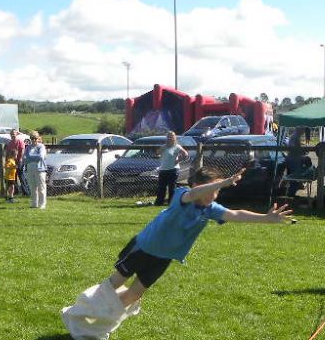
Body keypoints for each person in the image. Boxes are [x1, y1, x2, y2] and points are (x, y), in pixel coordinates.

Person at [106, 168, 293, 309]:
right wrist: (223, 183)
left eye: (217, 191)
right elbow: (195, 194)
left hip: (164, 257)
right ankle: (90, 307)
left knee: (134, 295)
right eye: (212, 189)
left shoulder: (210, 209)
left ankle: (103, 317)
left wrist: (266, 218)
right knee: (115, 283)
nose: (214, 195)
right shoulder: (182, 195)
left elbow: (235, 214)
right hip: (144, 247)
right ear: (197, 185)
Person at [154, 131, 188, 206]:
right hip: (163, 169)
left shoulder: (177, 147)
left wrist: (178, 160)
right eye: (168, 137)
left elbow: (185, 154)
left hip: (173, 169)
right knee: (161, 187)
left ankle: (171, 202)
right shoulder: (164, 146)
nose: (170, 138)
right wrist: (162, 149)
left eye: (171, 137)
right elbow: (157, 153)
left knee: (172, 187)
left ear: (174, 138)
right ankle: (159, 202)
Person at [24, 131, 48, 209]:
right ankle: (34, 204)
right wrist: (33, 158)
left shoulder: (41, 146)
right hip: (30, 169)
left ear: (38, 138)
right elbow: (24, 158)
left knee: (41, 187)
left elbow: (41, 156)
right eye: (32, 138)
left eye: (35, 138)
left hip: (40, 169)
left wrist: (30, 157)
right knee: (32, 187)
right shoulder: (28, 147)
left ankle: (42, 204)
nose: (34, 140)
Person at [5, 128, 28, 197]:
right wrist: (7, 161)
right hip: (12, 162)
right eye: (11, 134)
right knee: (13, 178)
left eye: (13, 134)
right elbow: (8, 153)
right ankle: (15, 191)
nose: (12, 135)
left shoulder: (20, 141)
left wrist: (19, 161)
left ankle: (25, 192)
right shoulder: (10, 143)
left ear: (16, 134)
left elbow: (22, 151)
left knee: (21, 177)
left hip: (19, 162)